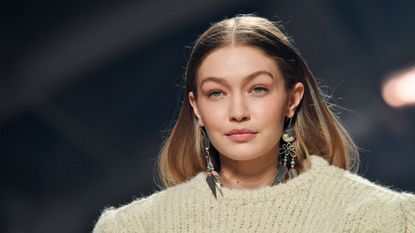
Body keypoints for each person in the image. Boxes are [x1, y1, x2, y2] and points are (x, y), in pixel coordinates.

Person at [92, 14, 415, 232]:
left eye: (258, 89)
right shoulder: (134, 227)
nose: (238, 111)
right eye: (216, 93)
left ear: (292, 98)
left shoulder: (382, 218)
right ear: (197, 107)